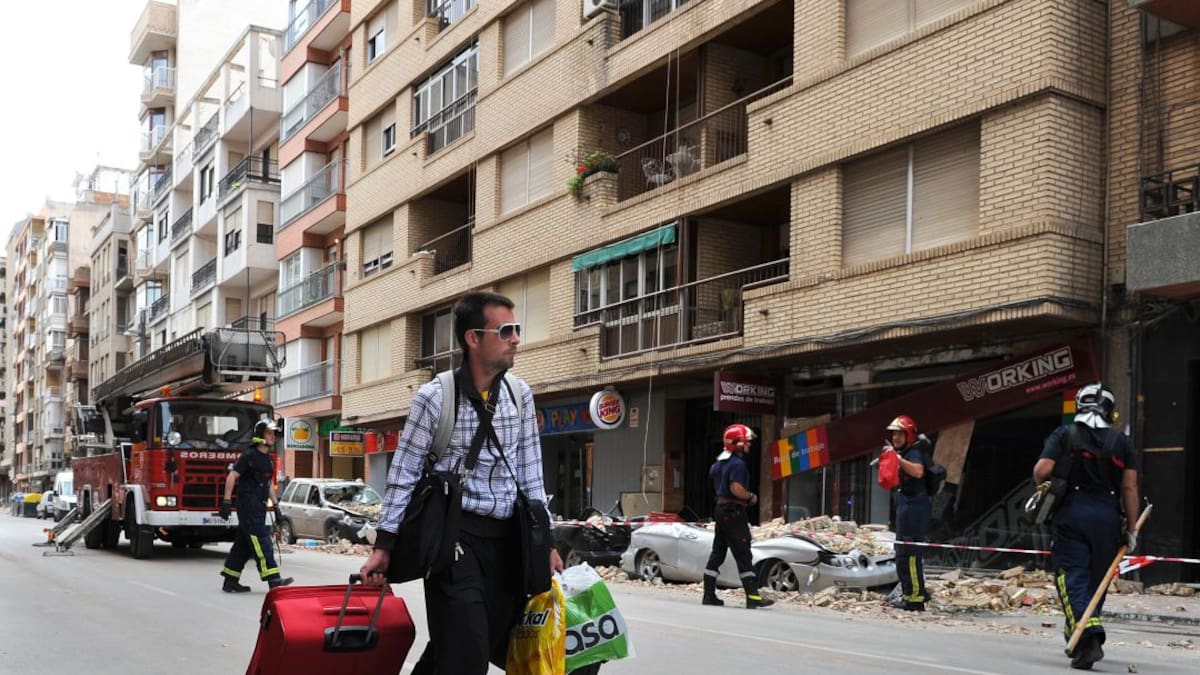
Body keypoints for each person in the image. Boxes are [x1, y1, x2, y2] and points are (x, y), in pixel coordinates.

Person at [360, 291, 563, 675]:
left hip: (508, 544)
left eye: (517, 329)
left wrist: (547, 543)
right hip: (454, 541)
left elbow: (531, 474)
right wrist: (384, 545)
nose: (516, 339)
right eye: (505, 331)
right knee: (468, 656)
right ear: (473, 338)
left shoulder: (519, 395)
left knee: (462, 646)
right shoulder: (435, 398)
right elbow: (403, 475)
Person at [1033, 383, 1139, 670]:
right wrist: (1132, 530)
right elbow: (1129, 487)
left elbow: (1041, 470)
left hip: (1072, 514)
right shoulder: (1122, 443)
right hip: (1108, 518)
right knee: (1096, 581)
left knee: (1071, 577)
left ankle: (1089, 637)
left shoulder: (1064, 434)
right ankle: (1081, 640)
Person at [701, 423, 774, 609]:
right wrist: (751, 497)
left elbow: (712, 473)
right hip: (734, 512)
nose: (749, 445)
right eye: (746, 442)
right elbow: (736, 488)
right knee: (743, 553)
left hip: (721, 511)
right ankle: (753, 598)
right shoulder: (738, 464)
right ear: (738, 444)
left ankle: (709, 595)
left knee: (718, 552)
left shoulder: (720, 462)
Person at [218, 419, 293, 593]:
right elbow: (231, 477)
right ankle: (273, 579)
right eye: (269, 433)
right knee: (261, 541)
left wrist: (276, 506)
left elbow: (267, 484)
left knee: (243, 545)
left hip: (259, 506)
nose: (273, 437)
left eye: (274, 434)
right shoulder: (249, 456)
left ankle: (230, 580)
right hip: (248, 506)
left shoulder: (267, 459)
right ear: (260, 436)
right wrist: (226, 502)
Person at [884, 414, 932, 612]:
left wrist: (897, 459)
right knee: (902, 553)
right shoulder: (904, 452)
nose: (896, 438)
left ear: (909, 435)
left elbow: (918, 472)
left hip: (914, 510)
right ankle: (910, 592)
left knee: (910, 555)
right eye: (894, 434)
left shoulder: (914, 453)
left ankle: (915, 599)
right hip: (906, 508)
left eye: (900, 434)